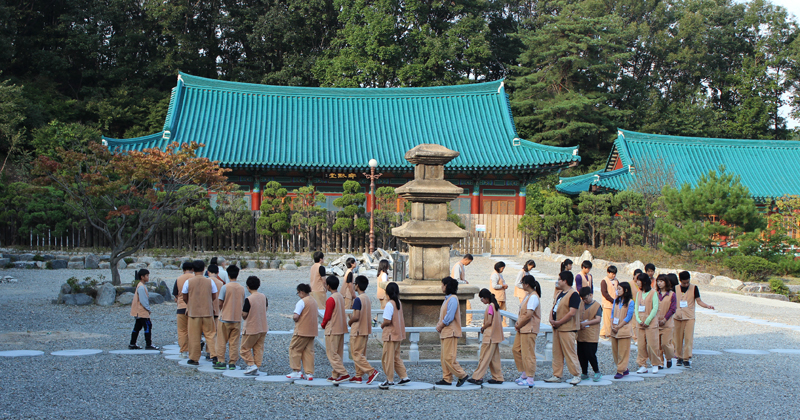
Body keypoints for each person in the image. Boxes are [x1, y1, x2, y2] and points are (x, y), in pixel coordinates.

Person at [545, 271, 582, 385]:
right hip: (557, 328)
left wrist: (559, 322)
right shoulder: (560, 293)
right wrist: (551, 319)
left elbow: (572, 312)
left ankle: (576, 374)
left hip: (567, 328)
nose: (558, 281)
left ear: (565, 281)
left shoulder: (573, 294)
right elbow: (554, 306)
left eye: (559, 279)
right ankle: (557, 374)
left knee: (570, 352)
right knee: (557, 352)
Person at [674, 271, 715, 369]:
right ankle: (679, 356)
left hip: (689, 317)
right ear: (680, 281)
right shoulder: (675, 288)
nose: (686, 284)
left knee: (688, 338)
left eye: (688, 282)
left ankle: (686, 358)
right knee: (677, 338)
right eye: (684, 283)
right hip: (677, 317)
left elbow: (699, 301)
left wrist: (707, 306)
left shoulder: (694, 288)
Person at [182, 260, 218, 365]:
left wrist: (189, 302)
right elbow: (214, 295)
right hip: (207, 311)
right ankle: (214, 355)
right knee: (210, 334)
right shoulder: (210, 281)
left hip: (194, 312)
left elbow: (184, 295)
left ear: (193, 269)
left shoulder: (188, 282)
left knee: (194, 336)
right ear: (204, 269)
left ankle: (194, 358)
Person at [435, 277, 469, 387]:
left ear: (447, 286)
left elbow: (449, 317)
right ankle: (447, 378)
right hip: (446, 332)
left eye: (443, 285)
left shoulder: (453, 299)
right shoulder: (448, 299)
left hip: (451, 331)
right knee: (444, 357)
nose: (442, 287)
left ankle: (462, 374)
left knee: (449, 357)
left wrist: (441, 325)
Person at [468, 289, 505, 385]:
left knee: (484, 357)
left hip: (489, 336)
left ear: (486, 298)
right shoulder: (495, 306)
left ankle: (477, 377)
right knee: (494, 358)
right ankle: (498, 377)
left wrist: (483, 327)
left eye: (482, 298)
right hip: (495, 336)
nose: (482, 300)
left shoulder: (490, 307)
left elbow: (489, 321)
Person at [379, 282, 411, 389]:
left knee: (387, 357)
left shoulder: (389, 304)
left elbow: (387, 320)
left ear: (387, 292)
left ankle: (390, 379)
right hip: (398, 334)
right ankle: (404, 376)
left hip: (390, 335)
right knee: (396, 357)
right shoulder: (398, 303)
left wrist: (382, 325)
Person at [348, 275, 379, 384]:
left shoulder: (358, 299)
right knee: (361, 353)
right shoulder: (367, 298)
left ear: (357, 285)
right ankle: (358, 375)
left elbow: (356, 316)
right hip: (365, 329)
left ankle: (371, 371)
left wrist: (350, 322)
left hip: (357, 330)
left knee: (356, 354)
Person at [214, 265, 245, 370]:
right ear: (237, 274)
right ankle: (232, 362)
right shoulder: (241, 288)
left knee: (221, 340)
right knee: (234, 341)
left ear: (228, 274)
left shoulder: (225, 287)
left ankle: (221, 361)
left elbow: (220, 302)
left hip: (225, 317)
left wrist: (222, 310)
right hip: (237, 318)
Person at [512, 275, 541, 388]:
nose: (522, 285)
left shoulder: (533, 296)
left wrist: (520, 324)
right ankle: (524, 372)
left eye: (523, 283)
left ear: (527, 284)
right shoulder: (528, 295)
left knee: (528, 353)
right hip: (523, 328)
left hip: (529, 328)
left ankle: (530, 377)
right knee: (516, 349)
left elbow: (529, 315)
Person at [286, 283, 318, 380]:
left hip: (301, 330)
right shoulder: (314, 301)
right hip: (312, 330)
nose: (298, 294)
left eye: (298, 293)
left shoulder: (302, 302)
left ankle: (296, 370)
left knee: (294, 348)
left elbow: (296, 316)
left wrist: (294, 319)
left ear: (302, 292)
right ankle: (309, 373)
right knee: (309, 351)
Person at [321, 275, 350, 384]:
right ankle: (335, 374)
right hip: (341, 327)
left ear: (328, 285)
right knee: (338, 352)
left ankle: (343, 373)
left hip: (332, 328)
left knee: (332, 353)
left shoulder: (331, 299)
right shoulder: (340, 297)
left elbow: (327, 316)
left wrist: (323, 324)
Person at [240, 276, 268, 375]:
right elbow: (266, 308)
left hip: (251, 328)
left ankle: (251, 365)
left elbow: (244, 314)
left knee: (244, 348)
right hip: (263, 326)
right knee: (258, 348)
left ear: (248, 287)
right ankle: (257, 366)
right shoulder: (263, 297)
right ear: (258, 285)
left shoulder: (249, 299)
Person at [634, 273, 660, 374]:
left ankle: (655, 364)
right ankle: (642, 364)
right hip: (640, 324)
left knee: (652, 344)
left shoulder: (654, 293)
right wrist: (639, 320)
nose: (637, 283)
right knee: (641, 345)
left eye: (638, 281)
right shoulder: (638, 293)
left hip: (650, 324)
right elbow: (636, 308)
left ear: (644, 281)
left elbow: (655, 308)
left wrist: (647, 321)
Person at [129, 269, 159, 350]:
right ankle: (148, 344)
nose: (148, 277)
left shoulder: (141, 285)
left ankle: (132, 343)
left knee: (137, 327)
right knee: (148, 325)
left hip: (138, 311)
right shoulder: (141, 287)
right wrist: (148, 309)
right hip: (142, 311)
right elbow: (143, 300)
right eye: (147, 276)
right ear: (142, 277)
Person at [577, 287, 602, 382]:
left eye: (586, 298)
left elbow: (598, 319)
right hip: (581, 333)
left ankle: (597, 371)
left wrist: (586, 323)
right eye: (583, 299)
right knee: (581, 354)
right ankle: (584, 372)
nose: (585, 300)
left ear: (591, 295)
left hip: (591, 334)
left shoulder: (597, 305)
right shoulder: (581, 304)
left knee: (590, 354)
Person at [610, 282, 634, 379]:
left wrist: (618, 326)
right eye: (617, 289)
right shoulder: (616, 300)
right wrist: (612, 325)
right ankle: (624, 368)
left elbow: (628, 316)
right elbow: (612, 313)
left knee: (623, 352)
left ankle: (620, 370)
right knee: (615, 351)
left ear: (626, 290)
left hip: (623, 329)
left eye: (619, 289)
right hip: (614, 329)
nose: (617, 291)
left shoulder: (630, 302)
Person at [172, 262, 194, 358]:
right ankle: (194, 351)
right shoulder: (195, 278)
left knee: (182, 330)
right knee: (193, 330)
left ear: (183, 269)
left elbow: (176, 294)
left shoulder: (179, 279)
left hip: (181, 307)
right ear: (192, 269)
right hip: (193, 307)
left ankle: (184, 351)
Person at [656, 274, 676, 369]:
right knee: (658, 344)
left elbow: (672, 308)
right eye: (658, 281)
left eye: (661, 281)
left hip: (667, 324)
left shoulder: (672, 294)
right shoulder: (655, 294)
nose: (659, 283)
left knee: (665, 343)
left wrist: (665, 319)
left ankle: (669, 357)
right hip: (656, 323)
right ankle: (660, 362)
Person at [206, 264, 225, 363]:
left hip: (208, 310)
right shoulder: (221, 283)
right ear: (218, 273)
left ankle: (209, 351)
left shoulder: (206, 282)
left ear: (208, 272)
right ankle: (217, 352)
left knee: (209, 333)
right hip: (218, 310)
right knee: (217, 333)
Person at [451, 254, 473, 324]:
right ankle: (468, 321)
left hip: (460, 288)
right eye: (469, 262)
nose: (468, 264)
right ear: (466, 259)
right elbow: (456, 279)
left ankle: (464, 320)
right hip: (458, 289)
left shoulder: (461, 265)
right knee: (467, 305)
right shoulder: (458, 266)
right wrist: (464, 282)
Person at [599, 265, 618, 339]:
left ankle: (602, 332)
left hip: (615, 303)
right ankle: (609, 335)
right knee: (607, 320)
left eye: (614, 274)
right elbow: (605, 293)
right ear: (608, 272)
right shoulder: (604, 281)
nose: (613, 275)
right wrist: (612, 300)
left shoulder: (616, 280)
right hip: (607, 304)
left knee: (612, 320)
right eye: (612, 273)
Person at [489, 261, 508, 327]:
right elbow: (494, 285)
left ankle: (503, 324)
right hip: (497, 296)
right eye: (502, 268)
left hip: (502, 296)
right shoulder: (494, 275)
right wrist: (502, 286)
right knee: (496, 311)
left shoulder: (500, 275)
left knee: (503, 311)